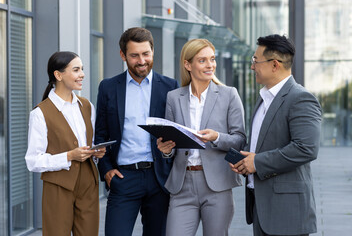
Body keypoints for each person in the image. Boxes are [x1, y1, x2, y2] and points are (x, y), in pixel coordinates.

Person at [230, 34, 322, 236]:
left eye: (255, 61)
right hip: (261, 208)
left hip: (287, 212)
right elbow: (262, 144)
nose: (252, 66)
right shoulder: (264, 98)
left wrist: (258, 163)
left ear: (274, 65)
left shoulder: (301, 98)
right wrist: (245, 160)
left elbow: (306, 148)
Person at [157, 38, 246, 236]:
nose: (210, 65)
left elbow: (239, 139)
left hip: (217, 184)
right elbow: (170, 144)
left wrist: (216, 137)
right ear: (188, 64)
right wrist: (166, 150)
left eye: (212, 59)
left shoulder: (229, 95)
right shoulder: (174, 97)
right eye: (202, 60)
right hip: (182, 185)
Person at [95, 27, 179, 236]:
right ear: (123, 55)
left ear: (153, 51)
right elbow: (101, 135)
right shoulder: (108, 87)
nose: (141, 61)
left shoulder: (171, 87)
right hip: (123, 178)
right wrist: (106, 170)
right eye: (134, 55)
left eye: (146, 54)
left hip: (159, 179)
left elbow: (177, 133)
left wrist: (168, 154)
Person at [25, 51, 106, 236]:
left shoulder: (87, 106)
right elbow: (33, 161)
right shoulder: (40, 113)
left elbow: (90, 142)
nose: (82, 74)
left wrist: (96, 151)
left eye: (82, 69)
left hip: (87, 183)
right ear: (58, 75)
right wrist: (69, 156)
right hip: (58, 186)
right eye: (76, 70)